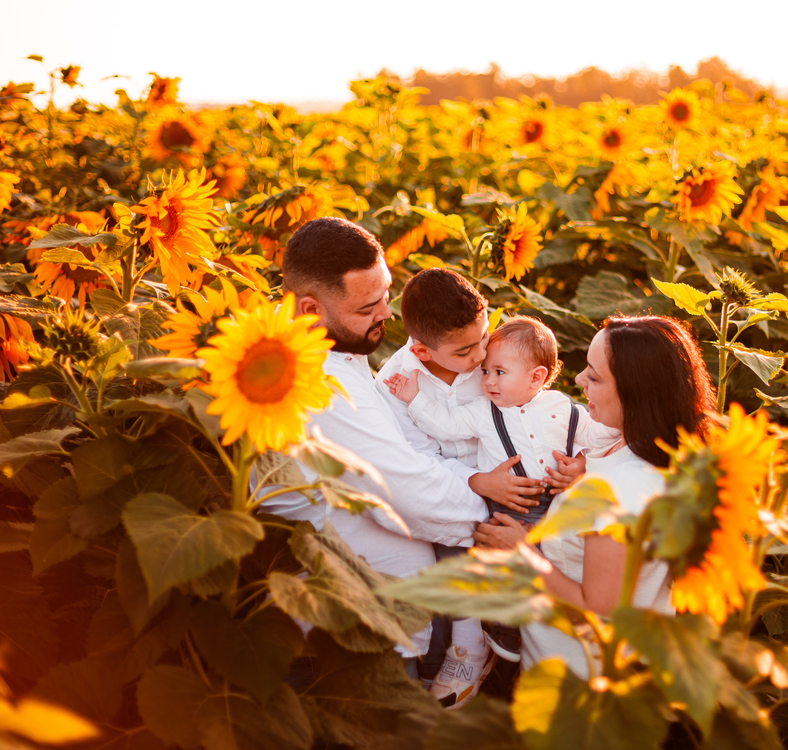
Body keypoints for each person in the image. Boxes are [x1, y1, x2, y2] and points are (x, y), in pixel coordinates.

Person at [261, 217, 544, 703]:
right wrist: (511, 520)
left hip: (384, 623)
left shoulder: (332, 350)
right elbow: (409, 494)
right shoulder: (316, 382)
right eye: (367, 307)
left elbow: (406, 459)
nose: (386, 314)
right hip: (346, 638)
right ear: (309, 310)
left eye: (386, 295)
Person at [472, 315, 715, 679]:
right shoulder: (636, 448)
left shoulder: (619, 493)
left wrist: (521, 553)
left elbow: (596, 611)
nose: (579, 380)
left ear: (635, 392)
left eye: (595, 377)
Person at [374, 269, 541, 705]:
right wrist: (479, 483)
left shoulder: (494, 353)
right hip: (451, 486)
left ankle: (520, 642)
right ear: (421, 350)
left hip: (518, 477)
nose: (481, 354)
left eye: (483, 338)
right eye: (465, 351)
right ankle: (469, 647)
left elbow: (533, 405)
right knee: (443, 543)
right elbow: (417, 460)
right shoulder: (395, 384)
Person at [384, 315, 618, 523]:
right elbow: (447, 425)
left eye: (500, 372)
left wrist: (583, 462)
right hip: (509, 510)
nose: (488, 381)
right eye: (485, 371)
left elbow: (597, 435)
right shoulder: (484, 410)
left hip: (561, 504)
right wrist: (414, 399)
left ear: (536, 378)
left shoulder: (560, 406)